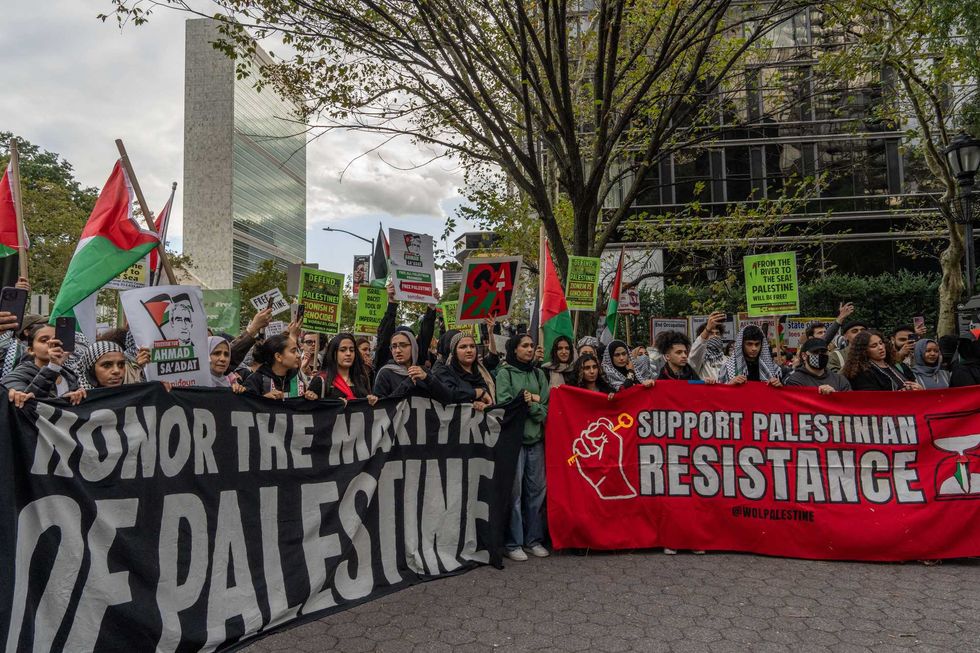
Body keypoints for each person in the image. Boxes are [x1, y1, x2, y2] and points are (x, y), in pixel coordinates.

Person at [495, 334, 550, 561]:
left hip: (535, 441)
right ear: (514, 349)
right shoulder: (504, 373)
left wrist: (531, 404)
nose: (530, 349)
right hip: (514, 443)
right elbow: (507, 404)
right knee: (515, 495)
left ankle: (533, 539)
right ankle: (513, 542)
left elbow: (546, 406)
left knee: (536, 492)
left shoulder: (539, 374)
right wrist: (529, 401)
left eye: (532, 346)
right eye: (525, 346)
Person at [3, 323, 86, 407]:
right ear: (31, 350)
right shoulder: (17, 376)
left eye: (56, 339)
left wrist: (74, 398)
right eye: (44, 340)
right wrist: (53, 367)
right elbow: (28, 406)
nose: (52, 343)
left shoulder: (70, 376)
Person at [372, 330, 451, 401]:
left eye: (403, 345)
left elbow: (446, 398)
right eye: (394, 346)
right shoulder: (385, 373)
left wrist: (427, 378)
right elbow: (381, 409)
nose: (398, 351)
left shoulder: (423, 371)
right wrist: (407, 383)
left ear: (414, 347)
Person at [431, 332, 495, 409]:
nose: (469, 350)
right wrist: (477, 393)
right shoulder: (444, 372)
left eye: (472, 346)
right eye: (463, 347)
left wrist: (484, 405)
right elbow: (447, 393)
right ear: (454, 352)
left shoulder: (480, 375)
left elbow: (488, 400)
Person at [309, 333, 379, 403]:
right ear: (334, 354)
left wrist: (370, 401)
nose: (348, 353)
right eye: (343, 350)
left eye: (352, 350)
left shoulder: (362, 379)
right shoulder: (321, 380)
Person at [242, 334, 316, 399]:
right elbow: (245, 406)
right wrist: (263, 400)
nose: (298, 355)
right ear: (278, 357)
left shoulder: (300, 377)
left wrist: (312, 397)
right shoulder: (256, 380)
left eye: (297, 351)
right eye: (293, 351)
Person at [843, 330, 922, 391]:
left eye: (881, 343)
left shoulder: (897, 365)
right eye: (874, 346)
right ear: (864, 351)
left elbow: (913, 383)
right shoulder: (862, 373)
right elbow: (871, 400)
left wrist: (918, 388)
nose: (880, 347)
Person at [783, 338, 851, 393]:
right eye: (815, 352)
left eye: (823, 352)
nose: (820, 355)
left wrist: (835, 395)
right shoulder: (795, 380)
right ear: (804, 356)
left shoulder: (839, 379)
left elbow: (848, 404)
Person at [689, 312, 727, 382]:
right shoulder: (700, 357)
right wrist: (707, 329)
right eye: (711, 333)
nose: (715, 336)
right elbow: (696, 351)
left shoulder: (726, 359)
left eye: (717, 333)